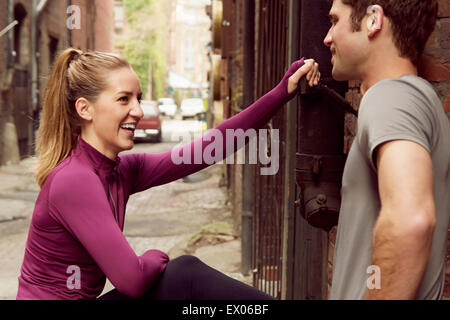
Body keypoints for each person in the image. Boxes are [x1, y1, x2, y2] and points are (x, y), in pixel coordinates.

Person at [16, 48, 320, 300]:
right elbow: (132, 280)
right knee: (183, 274)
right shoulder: (74, 180)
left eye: (138, 98)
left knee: (186, 277)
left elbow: (205, 150)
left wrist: (282, 92)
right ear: (85, 109)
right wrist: (155, 255)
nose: (137, 110)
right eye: (124, 99)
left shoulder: (119, 170)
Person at [324, 0, 449, 299]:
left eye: (334, 20)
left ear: (373, 20)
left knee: (189, 277)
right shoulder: (421, 99)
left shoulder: (391, 96)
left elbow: (410, 222)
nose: (327, 38)